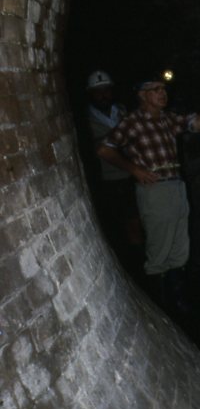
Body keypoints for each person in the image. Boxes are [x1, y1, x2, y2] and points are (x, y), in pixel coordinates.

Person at [96, 78, 200, 313]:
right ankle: (159, 305)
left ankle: (178, 299)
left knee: (180, 245)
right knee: (159, 248)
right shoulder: (132, 122)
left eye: (163, 89)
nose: (163, 93)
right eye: (156, 90)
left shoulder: (167, 119)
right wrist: (134, 169)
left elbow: (193, 123)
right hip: (155, 190)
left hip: (176, 186)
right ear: (142, 95)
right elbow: (105, 149)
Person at [85, 70, 143, 272]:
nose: (103, 95)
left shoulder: (123, 111)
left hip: (134, 174)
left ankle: (142, 263)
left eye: (106, 90)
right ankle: (130, 264)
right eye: (98, 91)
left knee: (138, 220)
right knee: (120, 223)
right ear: (90, 93)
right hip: (108, 179)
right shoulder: (86, 119)